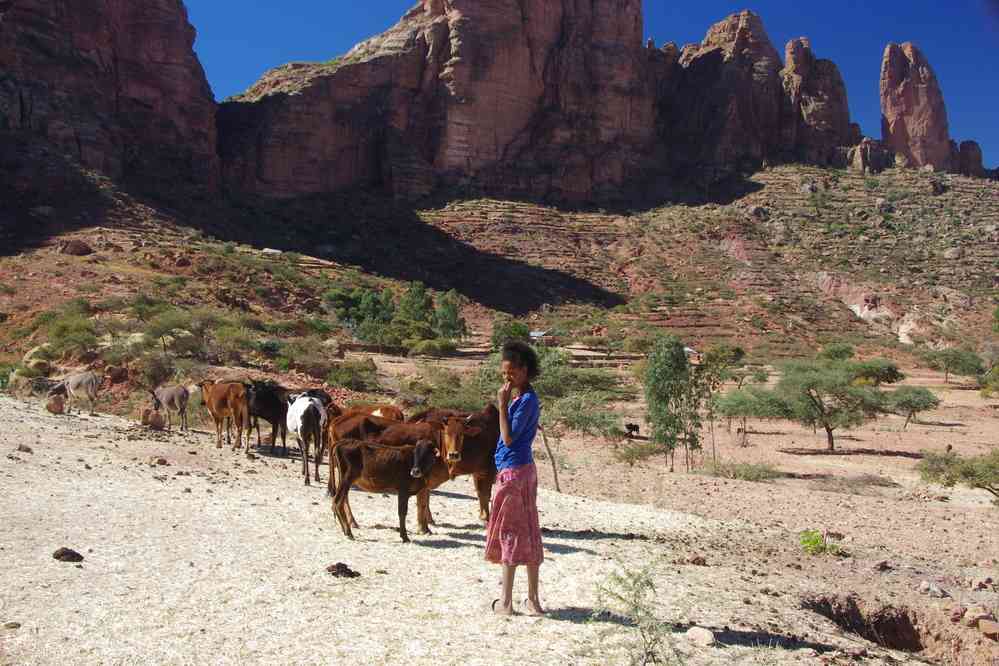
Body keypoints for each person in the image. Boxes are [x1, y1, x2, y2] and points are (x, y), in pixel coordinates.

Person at [485, 340, 545, 616]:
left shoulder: (524, 401)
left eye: (510, 372)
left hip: (513, 472)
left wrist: (501, 405)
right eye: (504, 373)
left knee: (510, 532)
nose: (506, 378)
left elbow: (508, 438)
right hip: (524, 470)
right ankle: (532, 601)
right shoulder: (527, 398)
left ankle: (506, 603)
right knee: (530, 530)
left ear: (524, 370)